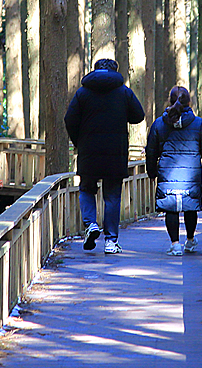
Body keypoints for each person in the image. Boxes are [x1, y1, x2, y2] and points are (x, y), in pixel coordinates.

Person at [65, 58, 145, 254]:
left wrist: (79, 142)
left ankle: (91, 224)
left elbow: (69, 119)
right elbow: (138, 115)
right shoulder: (123, 92)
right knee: (112, 196)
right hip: (115, 153)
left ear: (95, 70)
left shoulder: (82, 93)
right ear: (115, 71)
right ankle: (110, 241)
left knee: (86, 189)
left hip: (88, 152)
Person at [145, 86, 202, 256]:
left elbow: (151, 151)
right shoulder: (198, 124)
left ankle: (175, 244)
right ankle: (190, 240)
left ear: (170, 101)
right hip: (191, 175)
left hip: (168, 173)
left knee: (171, 209)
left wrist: (152, 172)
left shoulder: (159, 124)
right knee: (190, 207)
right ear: (189, 102)